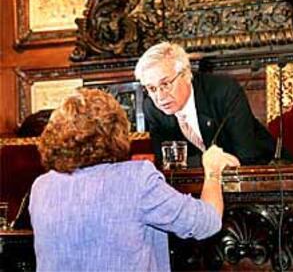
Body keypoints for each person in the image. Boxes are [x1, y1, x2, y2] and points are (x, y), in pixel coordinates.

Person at [29, 88, 240, 272]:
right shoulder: (136, 179)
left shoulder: (42, 187)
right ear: (117, 131)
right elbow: (207, 223)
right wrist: (212, 170)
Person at [135, 42, 276, 167]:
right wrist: (205, 162)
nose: (160, 97)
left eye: (165, 84)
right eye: (152, 88)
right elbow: (166, 162)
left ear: (185, 75)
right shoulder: (152, 108)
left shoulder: (223, 91)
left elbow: (247, 153)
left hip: (263, 171)